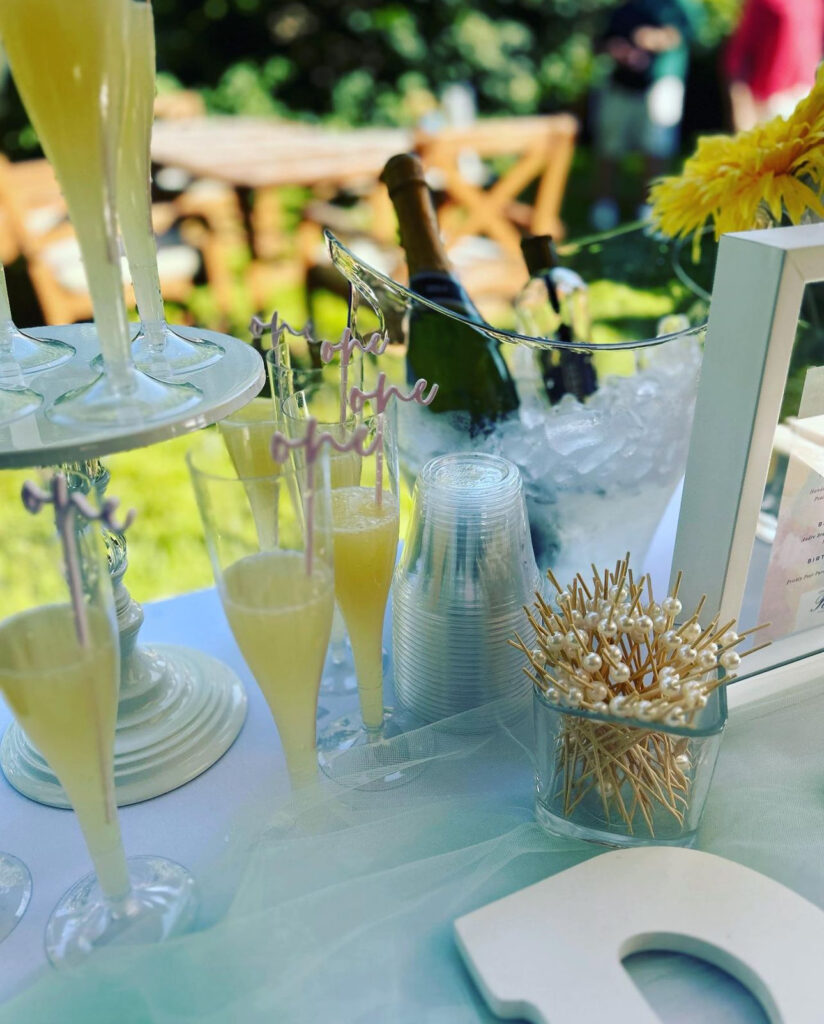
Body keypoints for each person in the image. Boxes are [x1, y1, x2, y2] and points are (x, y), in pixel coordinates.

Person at [590, 0, 698, 231]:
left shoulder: (678, 6)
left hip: (661, 82)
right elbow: (601, 42)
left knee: (656, 146)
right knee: (609, 143)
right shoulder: (624, 7)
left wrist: (651, 38)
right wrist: (617, 49)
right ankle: (605, 204)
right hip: (620, 84)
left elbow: (682, 34)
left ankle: (649, 207)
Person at [725, 0, 824, 131]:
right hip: (771, 104)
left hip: (807, 98)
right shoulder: (763, 3)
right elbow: (740, 58)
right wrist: (742, 110)